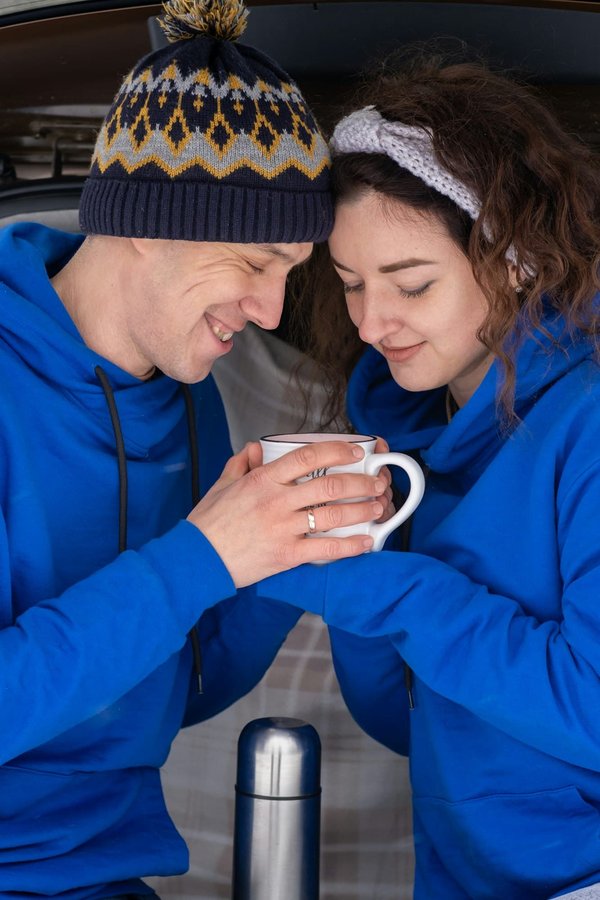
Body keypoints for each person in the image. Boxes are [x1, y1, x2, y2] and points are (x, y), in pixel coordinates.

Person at [0, 1, 393, 896]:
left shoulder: (188, 401)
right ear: (149, 219)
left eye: (292, 276)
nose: (267, 310)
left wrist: (283, 556)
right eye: (256, 263)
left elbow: (169, 691)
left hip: (110, 878)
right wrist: (203, 556)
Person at [255, 53, 600, 899]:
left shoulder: (587, 422)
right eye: (350, 286)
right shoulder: (406, 433)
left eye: (411, 284)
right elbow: (410, 724)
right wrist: (345, 565)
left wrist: (393, 591)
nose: (373, 321)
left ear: (514, 256)